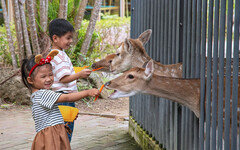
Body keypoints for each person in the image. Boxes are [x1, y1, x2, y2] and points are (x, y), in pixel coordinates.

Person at [21, 51, 100, 150]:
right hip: (51, 136)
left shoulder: (37, 95)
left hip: (50, 134)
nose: (49, 79)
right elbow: (67, 97)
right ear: (30, 80)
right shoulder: (43, 94)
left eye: (51, 74)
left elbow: (48, 115)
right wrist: (87, 92)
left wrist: (65, 116)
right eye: (43, 76)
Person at [48, 18, 92, 142]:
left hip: (62, 99)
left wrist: (78, 71)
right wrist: (80, 75)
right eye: (68, 38)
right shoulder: (58, 56)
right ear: (55, 38)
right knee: (65, 131)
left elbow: (63, 73)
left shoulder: (58, 53)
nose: (70, 41)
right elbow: (64, 78)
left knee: (62, 131)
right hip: (64, 99)